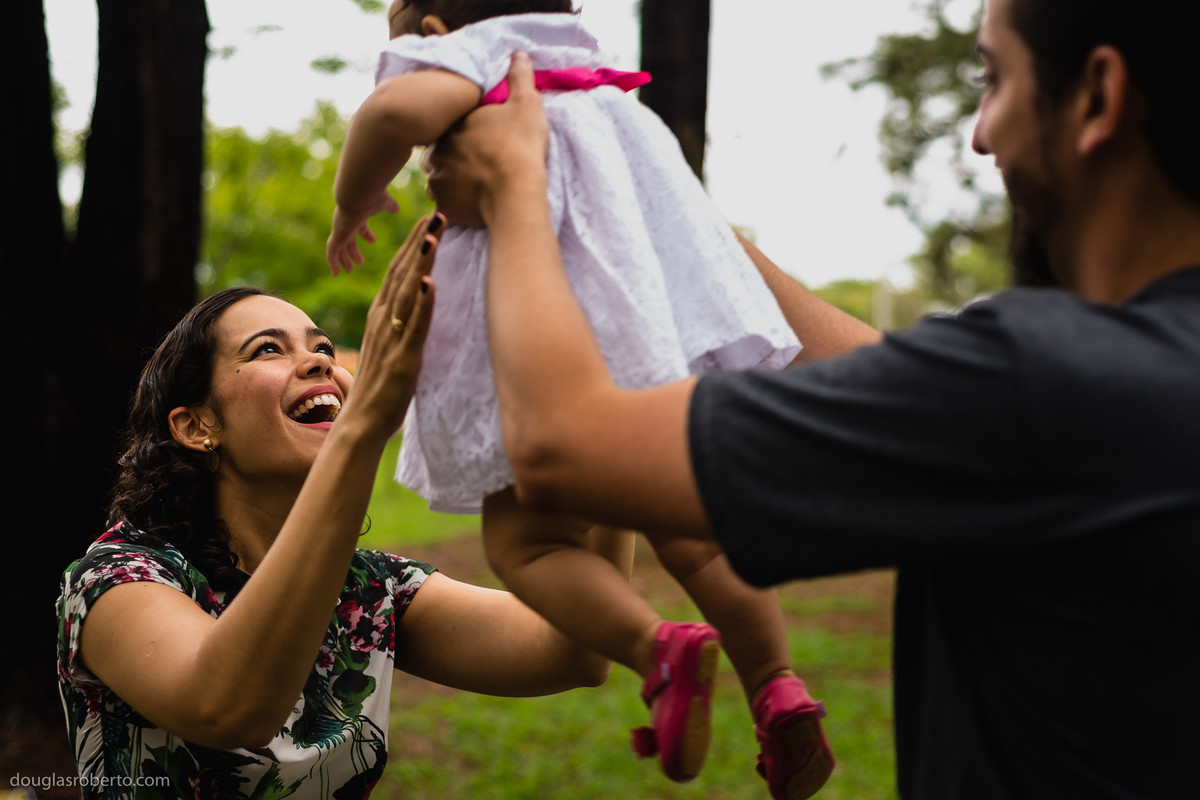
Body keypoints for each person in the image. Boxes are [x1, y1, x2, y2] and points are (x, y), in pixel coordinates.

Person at [419, 0, 1200, 796]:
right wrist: (642, 207)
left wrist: (517, 185)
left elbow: (559, 451)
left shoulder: (1037, 381)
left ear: (1099, 96)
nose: (981, 133)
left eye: (992, 81)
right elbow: (890, 372)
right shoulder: (1090, 378)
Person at [325, 2, 837, 795]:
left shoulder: (476, 59)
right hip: (640, 334)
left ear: (432, 33)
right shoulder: (585, 71)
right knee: (692, 536)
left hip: (543, 343)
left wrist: (353, 198)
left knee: (525, 543)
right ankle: (776, 685)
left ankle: (656, 647)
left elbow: (394, 111)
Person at [55, 218, 640, 797]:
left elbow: (577, 649)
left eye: (324, 348)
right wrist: (362, 430)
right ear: (198, 425)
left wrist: (609, 427)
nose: (319, 363)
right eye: (268, 350)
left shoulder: (367, 591)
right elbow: (229, 708)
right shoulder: (116, 581)